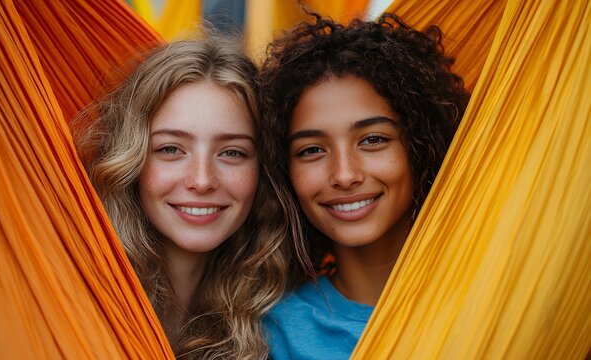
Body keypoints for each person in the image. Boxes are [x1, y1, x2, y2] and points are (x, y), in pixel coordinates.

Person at [72, 35, 303, 359]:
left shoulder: (279, 321)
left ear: (263, 170)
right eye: (170, 149)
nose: (202, 180)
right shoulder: (71, 295)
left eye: (232, 153)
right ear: (131, 159)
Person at [260, 13, 470, 359]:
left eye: (372, 140)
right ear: (284, 171)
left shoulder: (499, 300)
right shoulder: (270, 338)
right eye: (312, 150)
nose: (344, 175)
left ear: (420, 147)